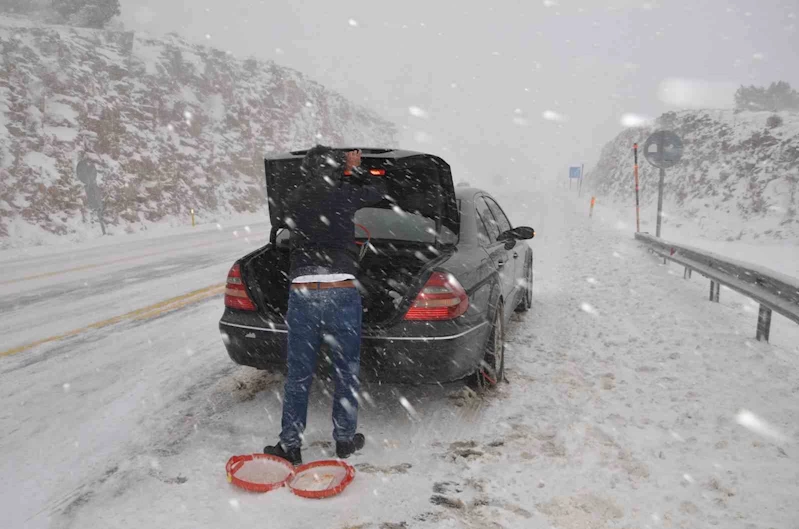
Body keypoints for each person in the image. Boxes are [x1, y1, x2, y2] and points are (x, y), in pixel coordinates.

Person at [264, 145, 385, 465]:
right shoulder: (345, 194)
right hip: (342, 291)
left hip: (303, 293)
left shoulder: (293, 199)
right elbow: (379, 192)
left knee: (299, 375)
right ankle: (344, 441)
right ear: (335, 169)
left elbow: (281, 223)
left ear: (307, 170)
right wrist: (353, 171)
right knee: (347, 371)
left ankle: (290, 445)